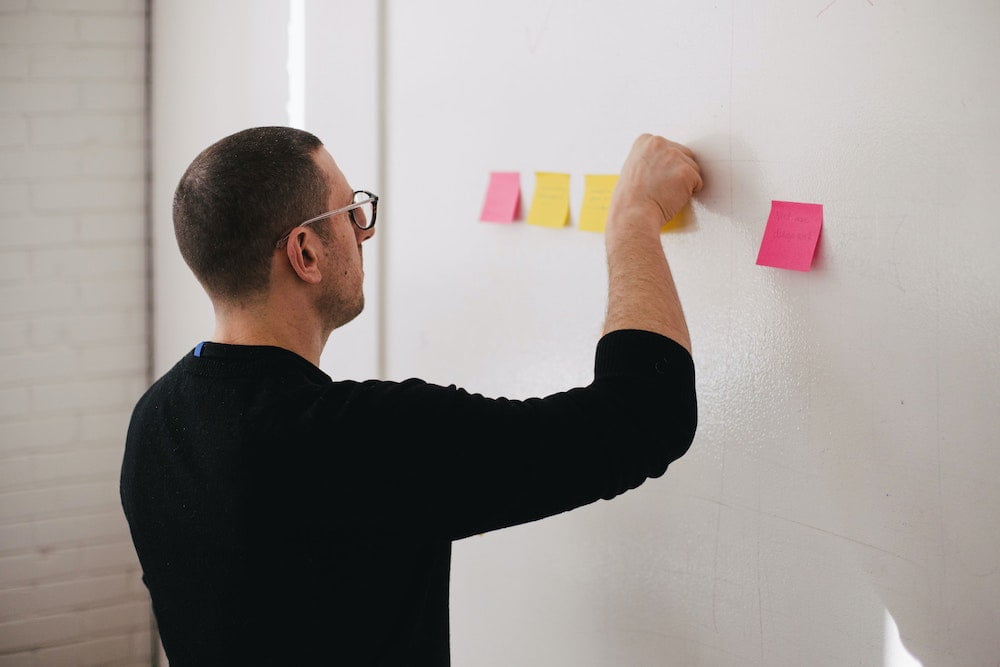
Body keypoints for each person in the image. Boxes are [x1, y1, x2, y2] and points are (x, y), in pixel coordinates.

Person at [120, 126, 704, 665]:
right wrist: (634, 216)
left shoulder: (155, 422)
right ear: (305, 252)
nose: (363, 231)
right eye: (352, 214)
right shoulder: (357, 441)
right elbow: (645, 415)